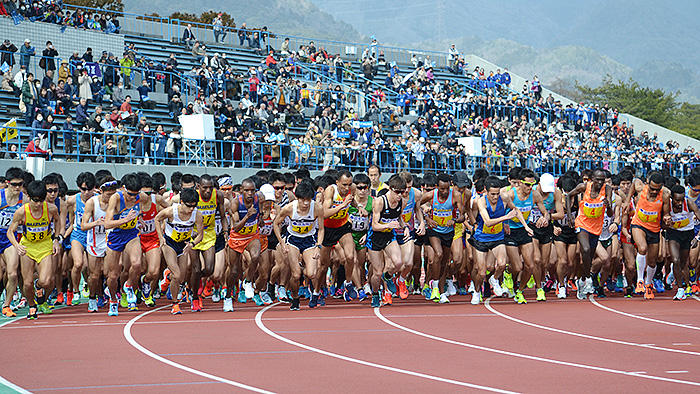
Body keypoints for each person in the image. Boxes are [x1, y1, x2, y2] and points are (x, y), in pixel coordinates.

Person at [7, 181, 62, 319]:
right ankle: (32, 306)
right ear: (29, 197)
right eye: (35, 201)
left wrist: (56, 239)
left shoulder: (51, 208)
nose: (38, 204)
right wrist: (17, 245)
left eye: (41, 200)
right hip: (28, 247)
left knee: (46, 281)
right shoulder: (21, 212)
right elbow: (10, 232)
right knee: (27, 282)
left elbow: (57, 221)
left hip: (45, 245)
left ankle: (39, 288)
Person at [469, 176, 527, 305]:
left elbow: (515, 210)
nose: (495, 197)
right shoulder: (481, 202)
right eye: (492, 194)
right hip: (481, 238)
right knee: (482, 272)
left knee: (501, 264)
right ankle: (477, 291)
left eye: (497, 194)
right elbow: (488, 222)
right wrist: (506, 218)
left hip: (497, 237)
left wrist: (526, 226)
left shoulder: (504, 197)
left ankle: (494, 279)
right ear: (486, 191)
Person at [273, 180, 325, 311]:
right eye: (303, 200)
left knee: (312, 274)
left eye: (308, 200)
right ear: (297, 198)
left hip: (309, 240)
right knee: (295, 275)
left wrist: (319, 247)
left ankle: (305, 271)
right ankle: (295, 298)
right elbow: (276, 224)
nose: (306, 203)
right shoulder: (289, 208)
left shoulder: (317, 208)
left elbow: (321, 229)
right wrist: (282, 243)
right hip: (293, 240)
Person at [155, 188, 204, 315]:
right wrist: (161, 237)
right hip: (169, 244)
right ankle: (175, 304)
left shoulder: (197, 214)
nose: (192, 209)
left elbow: (200, 235)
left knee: (181, 278)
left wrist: (192, 244)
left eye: (194, 206)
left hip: (183, 245)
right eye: (189, 206)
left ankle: (167, 276)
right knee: (177, 275)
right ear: (182, 202)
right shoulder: (172, 211)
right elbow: (157, 218)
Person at [568, 169, 614, 299]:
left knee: (588, 257)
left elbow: (610, 214)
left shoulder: (607, 189)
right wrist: (570, 217)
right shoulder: (584, 187)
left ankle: (581, 279)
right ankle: (588, 279)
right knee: (586, 249)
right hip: (582, 224)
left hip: (596, 227)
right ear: (591, 179)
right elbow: (568, 195)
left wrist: (608, 205)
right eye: (597, 179)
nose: (600, 182)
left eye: (602, 180)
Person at [103, 173, 146, 316]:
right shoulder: (116, 198)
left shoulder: (140, 197)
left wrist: (139, 218)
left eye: (136, 194)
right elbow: (107, 224)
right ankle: (113, 300)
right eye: (130, 194)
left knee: (137, 264)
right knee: (113, 275)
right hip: (115, 235)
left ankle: (128, 286)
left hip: (131, 234)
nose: (133, 198)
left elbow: (144, 206)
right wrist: (126, 219)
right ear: (123, 188)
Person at [624, 171, 670, 300]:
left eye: (658, 189)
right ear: (647, 183)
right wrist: (627, 201)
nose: (654, 191)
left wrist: (667, 218)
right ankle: (640, 281)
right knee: (642, 248)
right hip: (638, 224)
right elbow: (633, 183)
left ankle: (648, 284)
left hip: (654, 228)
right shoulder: (641, 187)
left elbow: (666, 213)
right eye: (652, 188)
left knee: (652, 261)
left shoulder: (665, 195)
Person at [419, 173, 465, 304]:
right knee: (437, 254)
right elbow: (417, 206)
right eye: (441, 189)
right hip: (434, 230)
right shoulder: (430, 195)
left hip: (448, 231)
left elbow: (463, 216)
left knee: (444, 262)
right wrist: (427, 219)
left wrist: (455, 220)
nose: (444, 192)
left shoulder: (455, 196)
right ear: (436, 187)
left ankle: (441, 290)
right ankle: (435, 287)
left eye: (446, 188)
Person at [366, 175, 408, 307]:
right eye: (397, 192)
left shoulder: (402, 202)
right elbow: (374, 225)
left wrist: (405, 227)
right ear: (390, 189)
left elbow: (399, 218)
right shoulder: (379, 201)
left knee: (399, 262)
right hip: (375, 238)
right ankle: (375, 294)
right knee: (377, 272)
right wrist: (387, 225)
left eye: (403, 192)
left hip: (389, 236)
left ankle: (388, 276)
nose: (400, 195)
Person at [319, 171, 356, 308]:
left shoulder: (352, 189)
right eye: (344, 185)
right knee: (323, 265)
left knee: (350, 256)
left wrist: (358, 208)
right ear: (337, 183)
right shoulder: (330, 191)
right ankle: (319, 289)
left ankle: (348, 283)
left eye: (349, 184)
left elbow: (353, 202)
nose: (347, 188)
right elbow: (324, 213)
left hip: (342, 226)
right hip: (328, 228)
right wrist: (341, 205)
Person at [80, 176, 117, 312]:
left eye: (113, 194)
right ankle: (92, 298)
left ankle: (108, 294)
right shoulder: (92, 203)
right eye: (109, 195)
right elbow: (83, 225)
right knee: (95, 275)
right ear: (101, 191)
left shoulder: (117, 202)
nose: (111, 197)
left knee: (109, 273)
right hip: (95, 242)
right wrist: (96, 223)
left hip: (110, 241)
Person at [228, 178, 264, 305]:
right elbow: (236, 226)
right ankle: (228, 296)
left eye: (252, 190)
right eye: (247, 190)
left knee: (255, 257)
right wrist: (248, 216)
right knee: (233, 271)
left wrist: (260, 218)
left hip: (252, 235)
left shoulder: (259, 198)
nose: (250, 193)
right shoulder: (235, 203)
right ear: (241, 190)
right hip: (237, 237)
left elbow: (261, 212)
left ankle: (248, 281)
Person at [65, 172, 96, 306]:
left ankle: (91, 292)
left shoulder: (97, 200)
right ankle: (75, 291)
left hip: (93, 235)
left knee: (91, 269)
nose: (86, 192)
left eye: (89, 189)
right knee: (78, 264)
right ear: (79, 188)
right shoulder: (72, 200)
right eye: (83, 189)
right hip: (77, 234)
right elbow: (67, 217)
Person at [666, 184, 700, 300]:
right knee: (675, 260)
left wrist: (697, 237)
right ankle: (680, 289)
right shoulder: (667, 206)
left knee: (684, 263)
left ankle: (686, 283)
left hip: (687, 234)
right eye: (677, 200)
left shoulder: (689, 203)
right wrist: (666, 224)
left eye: (681, 200)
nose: (679, 203)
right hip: (674, 234)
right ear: (671, 198)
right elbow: (661, 224)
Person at [0, 168, 25, 317]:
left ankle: (7, 305)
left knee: (13, 273)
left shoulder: (24, 199)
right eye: (14, 184)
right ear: (7, 183)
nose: (17, 188)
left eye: (20, 184)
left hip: (11, 239)